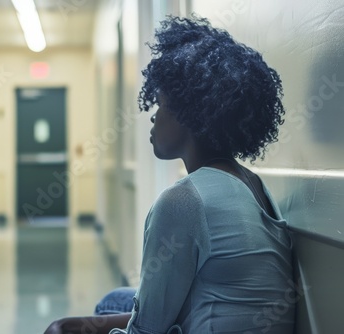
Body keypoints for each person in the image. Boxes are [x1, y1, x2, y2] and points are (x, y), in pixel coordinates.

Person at [45, 15, 295, 334]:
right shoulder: (251, 183)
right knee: (115, 300)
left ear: (190, 115)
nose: (153, 117)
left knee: (62, 328)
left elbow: (145, 331)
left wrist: (62, 328)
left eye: (161, 104)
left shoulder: (184, 200)